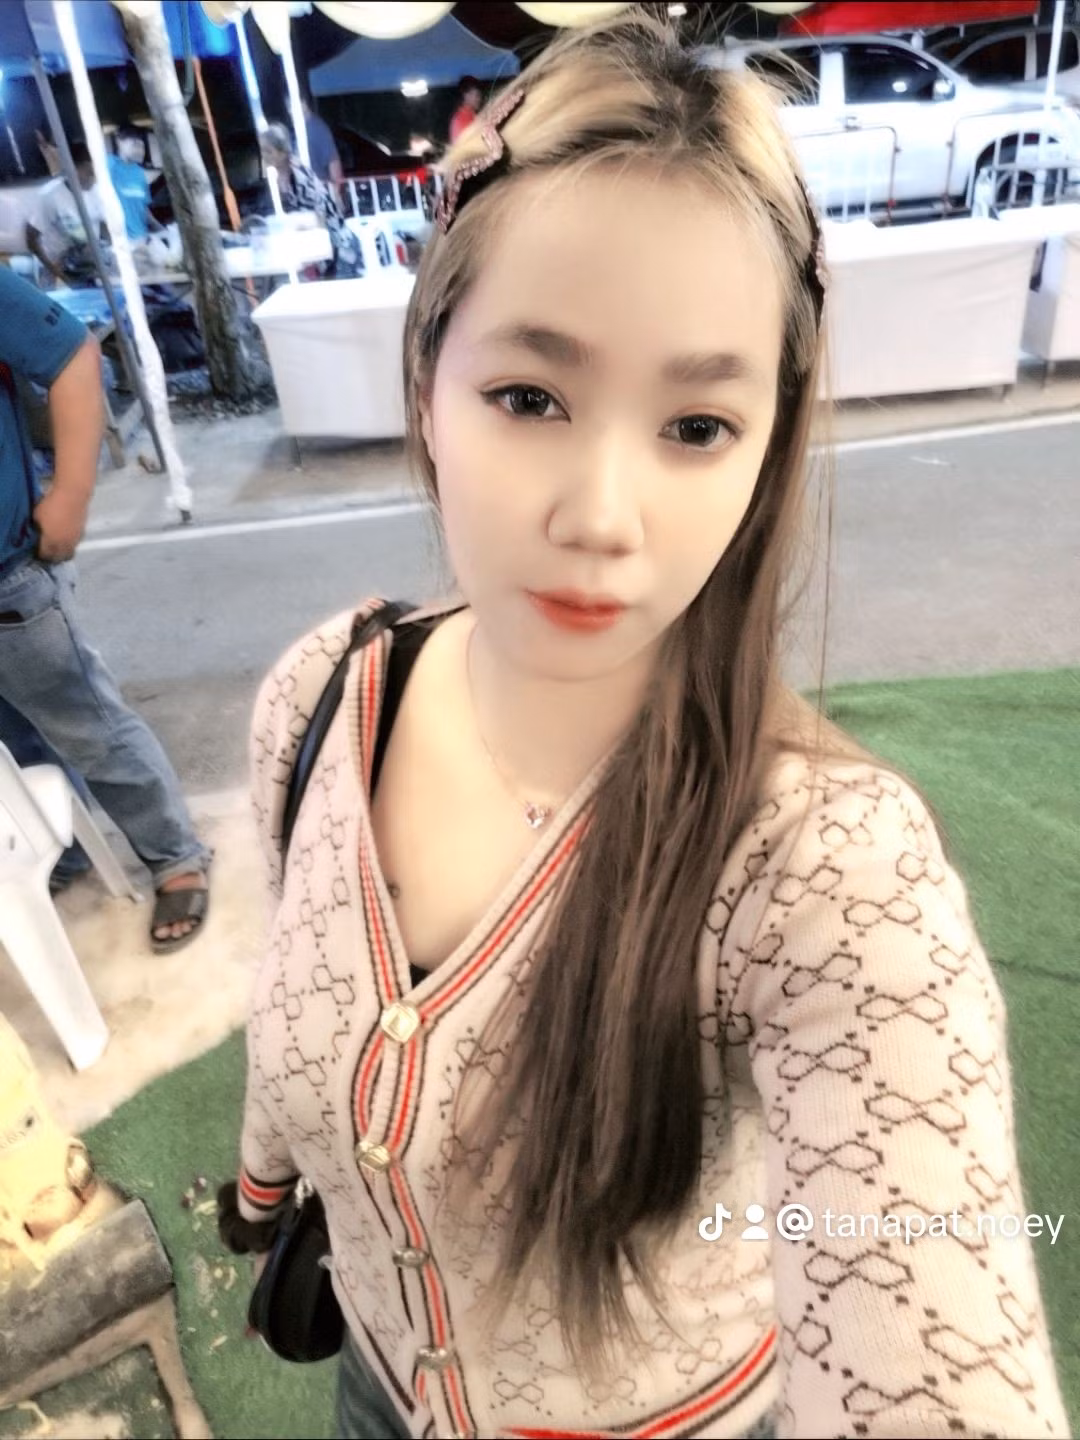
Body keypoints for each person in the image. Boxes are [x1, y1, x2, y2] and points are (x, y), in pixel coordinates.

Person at [223, 13, 1069, 1439]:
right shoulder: (321, 696)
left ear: (767, 447)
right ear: (427, 386)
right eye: (530, 396)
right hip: (373, 1388)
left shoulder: (827, 868)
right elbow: (289, 998)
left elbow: (929, 1311)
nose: (604, 519)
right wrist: (263, 1188)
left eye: (696, 427)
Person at [0, 267, 211, 951]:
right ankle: (64, 850)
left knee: (88, 726)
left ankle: (175, 857)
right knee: (14, 744)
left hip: (9, 577)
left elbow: (72, 355)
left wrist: (72, 493)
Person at [259, 123, 361, 278]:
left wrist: (291, 225)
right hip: (312, 250)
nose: (264, 156)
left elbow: (318, 218)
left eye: (268, 151)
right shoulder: (275, 178)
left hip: (337, 249)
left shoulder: (301, 177)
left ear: (283, 152)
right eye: (262, 150)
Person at [25, 139, 105, 287]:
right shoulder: (50, 196)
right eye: (88, 173)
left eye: (95, 173)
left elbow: (104, 225)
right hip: (54, 267)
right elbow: (31, 239)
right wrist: (56, 272)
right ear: (71, 169)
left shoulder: (98, 191)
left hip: (85, 265)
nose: (93, 178)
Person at [106, 127, 161, 242]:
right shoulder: (109, 164)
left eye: (141, 145)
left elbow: (143, 209)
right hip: (120, 241)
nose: (138, 149)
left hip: (142, 238)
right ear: (119, 142)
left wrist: (161, 229)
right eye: (134, 144)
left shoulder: (140, 173)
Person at [300, 93, 345, 204]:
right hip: (310, 195)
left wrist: (334, 196)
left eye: (291, 105)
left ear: (303, 103)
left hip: (320, 196)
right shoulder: (299, 129)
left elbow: (333, 162)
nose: (289, 111)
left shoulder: (317, 128)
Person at [448, 75, 482, 143]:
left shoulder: (471, 115)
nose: (479, 99)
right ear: (466, 95)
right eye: (477, 95)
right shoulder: (461, 119)